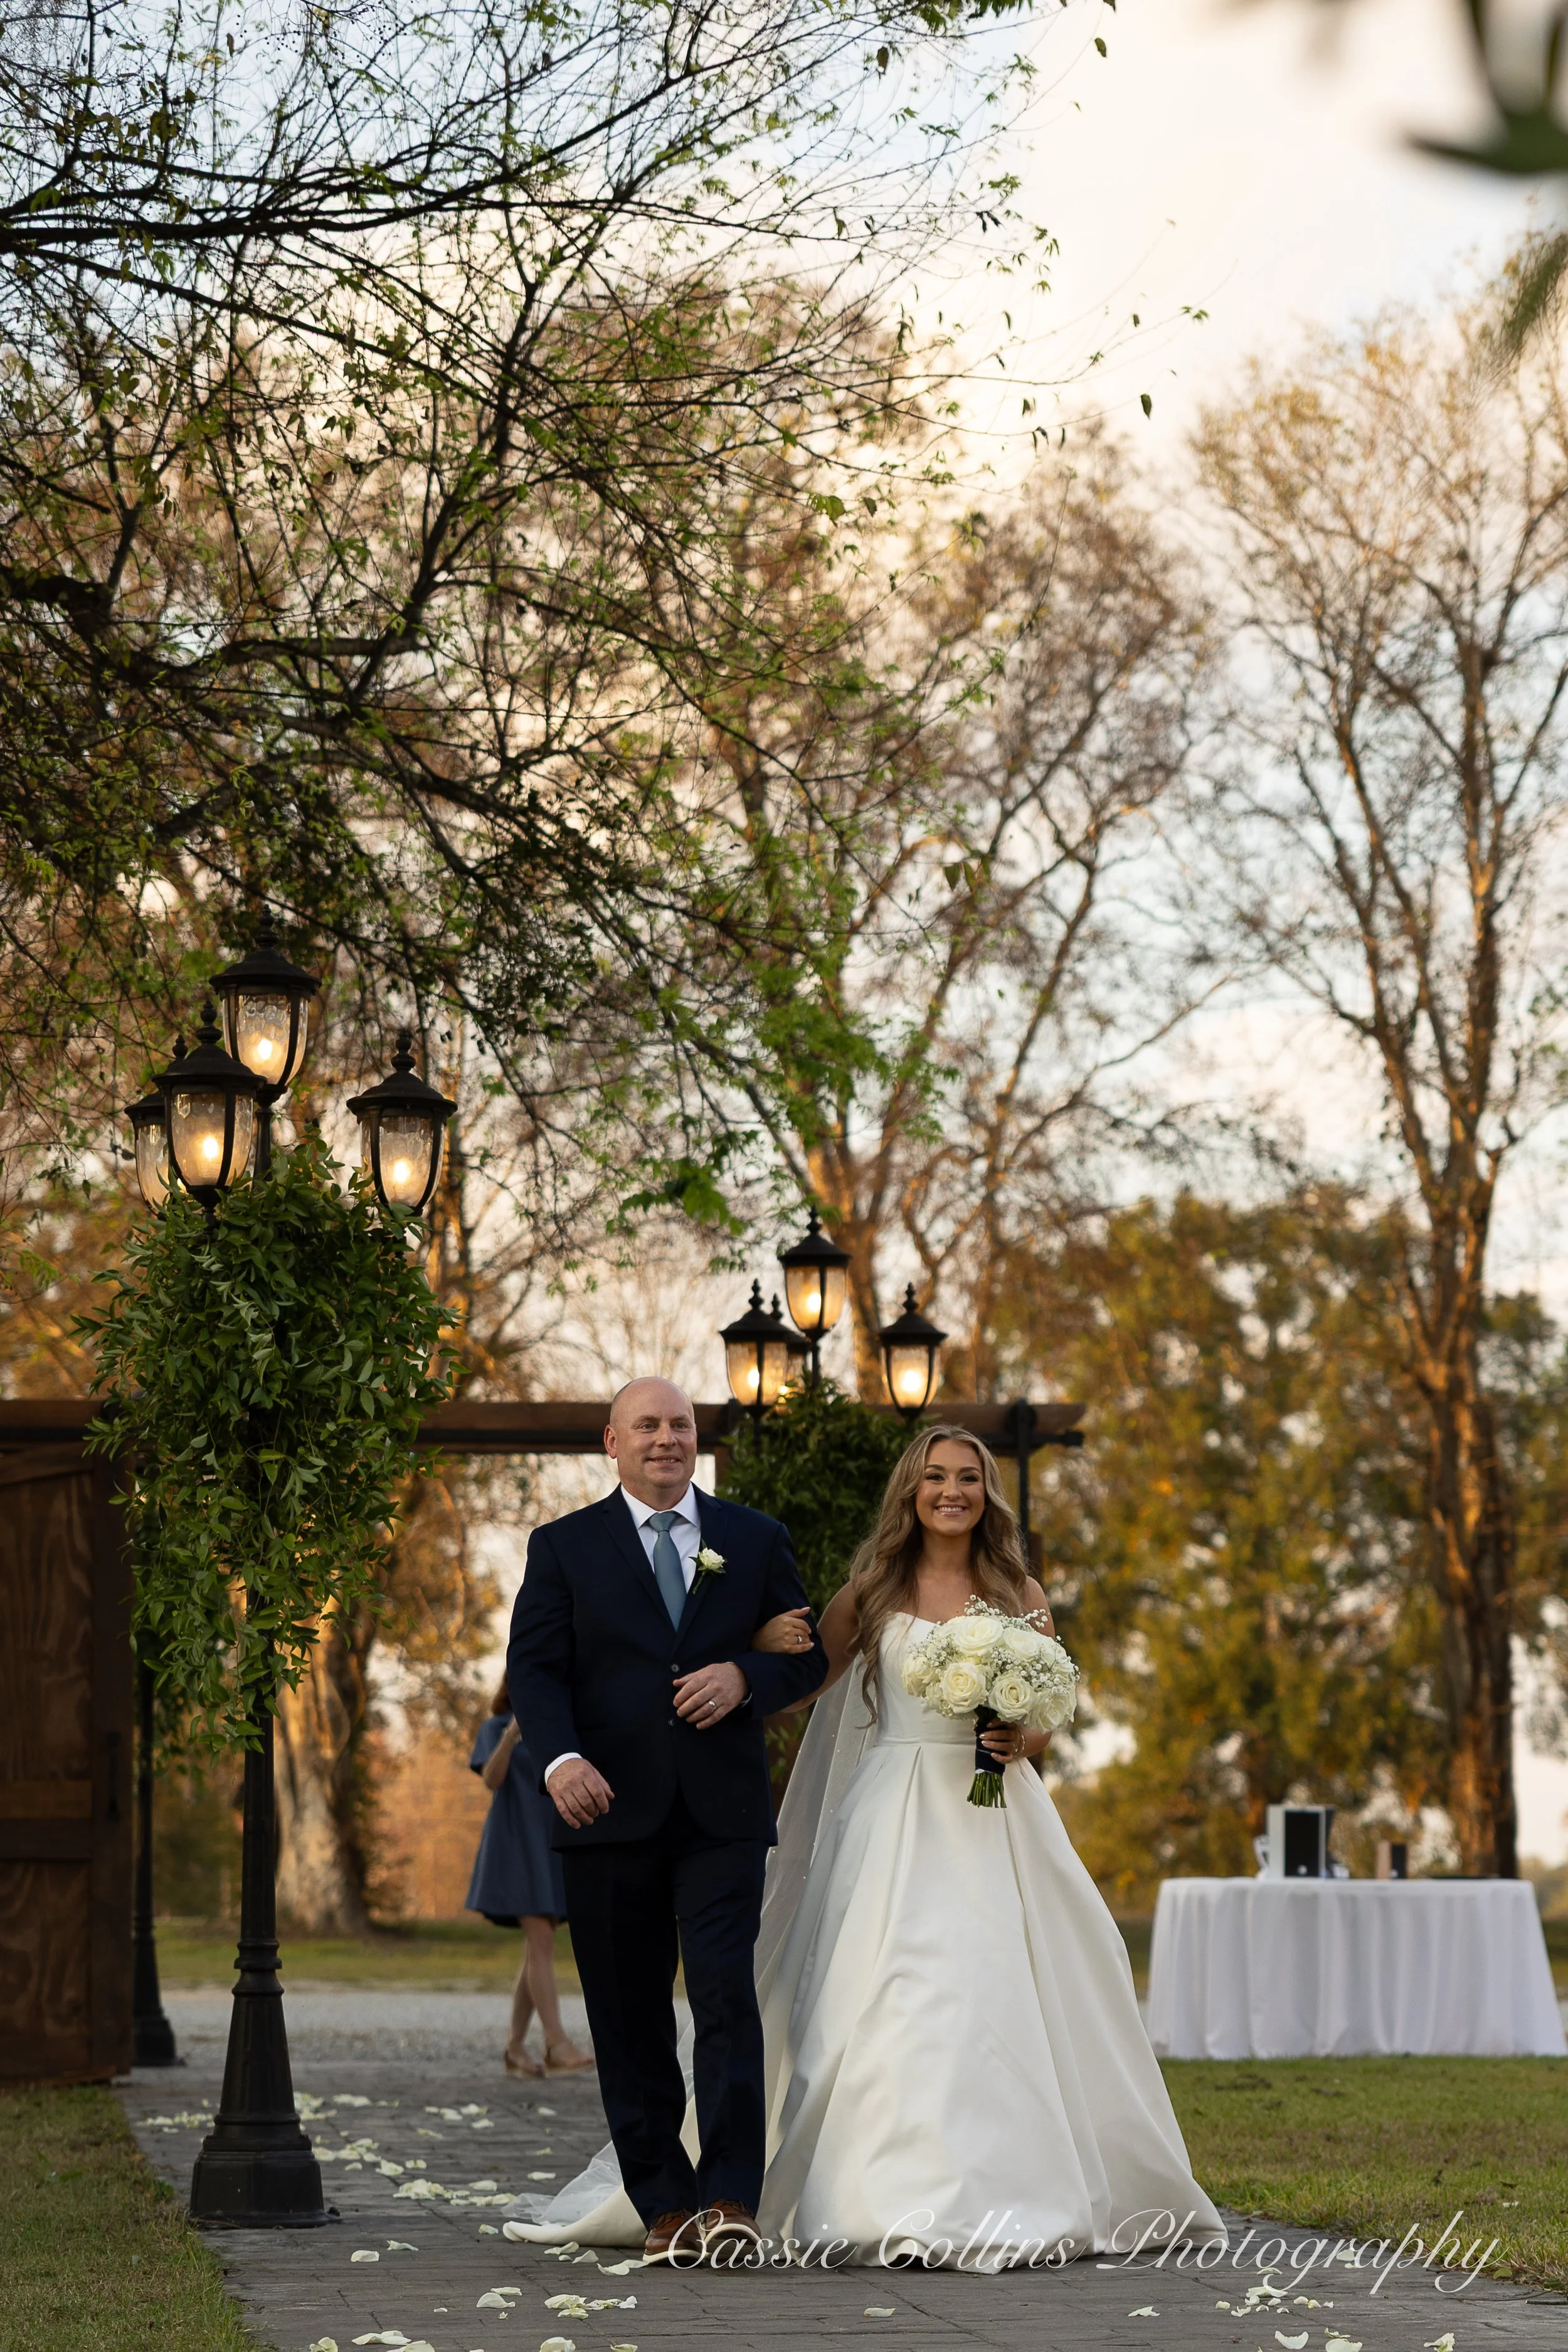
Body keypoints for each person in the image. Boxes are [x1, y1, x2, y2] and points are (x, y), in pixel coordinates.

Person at [505, 1424, 1223, 2271]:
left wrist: (1015, 1740)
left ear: (986, 1492)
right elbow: (807, 1671)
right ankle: (888, 2192)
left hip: (997, 1821)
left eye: (966, 1477)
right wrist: (749, 1656)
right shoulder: (875, 1585)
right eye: (933, 1477)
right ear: (911, 1492)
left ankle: (1005, 2188)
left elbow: (1044, 1717)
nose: (950, 1491)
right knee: (899, 1993)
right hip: (892, 1814)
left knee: (997, 1991)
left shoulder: (1017, 1587)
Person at [506, 1376, 827, 2268]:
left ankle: (731, 2199)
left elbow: (808, 1652)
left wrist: (744, 1679)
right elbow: (535, 1672)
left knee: (725, 1995)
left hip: (721, 1812)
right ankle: (665, 2203)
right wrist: (562, 1760)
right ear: (611, 1442)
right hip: (603, 1808)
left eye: (680, 1425)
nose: (666, 1438)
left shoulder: (755, 1539)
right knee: (627, 2008)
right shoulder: (564, 1547)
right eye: (646, 1425)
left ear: (697, 1441)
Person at [465, 1675, 595, 2079]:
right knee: (540, 1939)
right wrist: (511, 1734)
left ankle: (515, 2048)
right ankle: (557, 2044)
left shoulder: (559, 1726)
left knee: (537, 1944)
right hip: (513, 1843)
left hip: (551, 1843)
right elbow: (492, 1779)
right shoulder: (494, 1726)